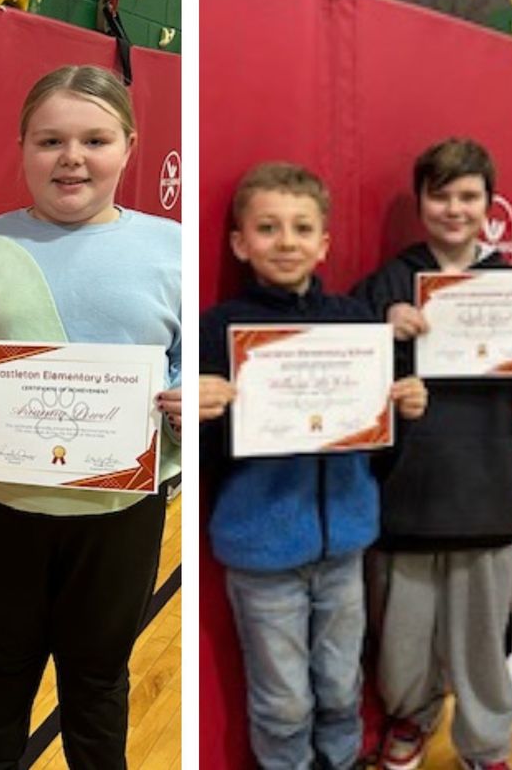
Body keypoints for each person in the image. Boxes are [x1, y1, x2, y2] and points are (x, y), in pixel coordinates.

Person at [0, 64, 181, 770]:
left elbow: (194, 364)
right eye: (50, 140)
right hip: (5, 503)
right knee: (6, 665)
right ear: (24, 148)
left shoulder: (170, 249)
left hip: (119, 507)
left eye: (94, 139)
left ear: (128, 144)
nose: (72, 157)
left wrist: (191, 398)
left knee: (98, 680)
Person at [350, 138, 512, 770]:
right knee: (403, 638)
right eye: (440, 194)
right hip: (406, 496)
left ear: (488, 204)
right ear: (422, 201)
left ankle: (484, 745)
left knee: (483, 640)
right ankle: (411, 721)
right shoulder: (392, 282)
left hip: (487, 493)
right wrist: (382, 328)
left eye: (468, 196)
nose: (454, 208)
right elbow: (345, 385)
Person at [199, 161, 428, 770]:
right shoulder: (218, 329)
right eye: (268, 229)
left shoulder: (355, 323)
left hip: (346, 543)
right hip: (261, 552)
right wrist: (203, 415)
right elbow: (201, 463)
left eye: (302, 229)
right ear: (239, 243)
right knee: (283, 702)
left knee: (341, 686)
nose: (286, 242)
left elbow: (376, 446)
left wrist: (401, 410)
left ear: (324, 243)